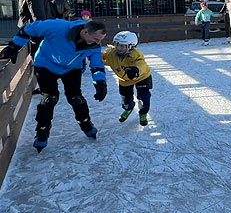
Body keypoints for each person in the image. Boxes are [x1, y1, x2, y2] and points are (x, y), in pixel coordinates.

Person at [0, 19, 108, 152]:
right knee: (50, 97)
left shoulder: (94, 45)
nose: (98, 43)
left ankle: (86, 123)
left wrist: (100, 83)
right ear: (85, 31)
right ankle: (42, 131)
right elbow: (29, 29)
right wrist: (14, 46)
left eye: (100, 40)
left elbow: (96, 65)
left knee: (75, 97)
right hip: (45, 64)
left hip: (71, 68)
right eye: (96, 39)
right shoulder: (60, 27)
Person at [102, 31, 153, 126]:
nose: (119, 48)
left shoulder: (136, 54)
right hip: (124, 80)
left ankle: (143, 113)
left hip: (141, 77)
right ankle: (128, 108)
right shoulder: (111, 54)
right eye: (117, 45)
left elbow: (141, 64)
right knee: (125, 100)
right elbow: (101, 56)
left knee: (144, 97)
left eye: (122, 46)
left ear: (130, 46)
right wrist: (91, 55)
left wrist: (136, 70)